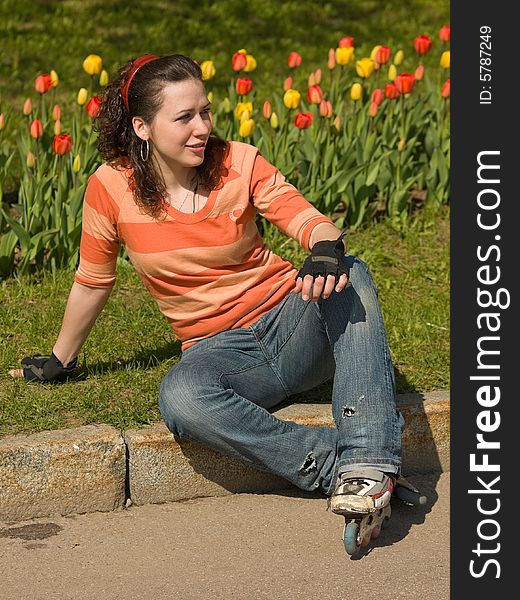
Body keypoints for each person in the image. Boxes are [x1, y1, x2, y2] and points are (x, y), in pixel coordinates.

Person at [10, 53, 404, 520]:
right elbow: (93, 281)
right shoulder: (110, 188)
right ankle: (335, 464)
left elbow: (306, 219)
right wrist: (61, 359)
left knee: (350, 271)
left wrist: (323, 248)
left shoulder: (239, 162)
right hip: (219, 351)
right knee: (181, 398)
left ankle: (370, 459)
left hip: (293, 323)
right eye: (183, 118)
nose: (201, 127)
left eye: (205, 112)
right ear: (142, 127)